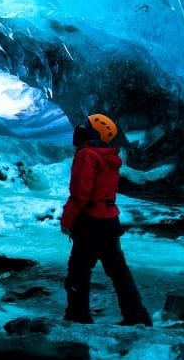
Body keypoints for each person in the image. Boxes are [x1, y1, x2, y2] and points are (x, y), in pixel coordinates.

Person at [59, 112, 152, 326]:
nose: (80, 129)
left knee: (78, 271)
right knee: (118, 271)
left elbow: (80, 194)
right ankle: (137, 316)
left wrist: (67, 221)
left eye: (84, 126)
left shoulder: (87, 155)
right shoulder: (109, 156)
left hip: (91, 221)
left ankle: (77, 317)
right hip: (109, 220)